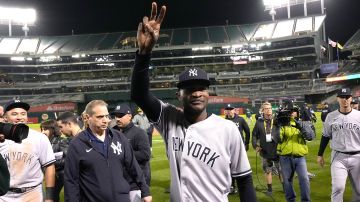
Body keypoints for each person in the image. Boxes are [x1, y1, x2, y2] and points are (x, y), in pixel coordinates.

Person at [131, 3, 256, 201]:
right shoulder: (169, 118)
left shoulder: (228, 129)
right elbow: (139, 95)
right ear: (179, 94)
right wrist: (143, 54)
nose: (196, 93)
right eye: (189, 89)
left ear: (208, 93)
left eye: (201, 88)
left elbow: (244, 179)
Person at [64, 100, 151, 202]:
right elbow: (71, 180)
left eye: (107, 116)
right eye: (100, 117)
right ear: (87, 118)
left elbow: (133, 166)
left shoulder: (119, 137)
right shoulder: (77, 144)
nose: (106, 120)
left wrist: (145, 191)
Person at [0, 99, 56, 202]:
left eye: (23, 114)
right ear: (5, 118)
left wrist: (49, 197)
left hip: (32, 194)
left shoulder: (39, 138)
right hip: (4, 196)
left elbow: (49, 167)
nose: (19, 117)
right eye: (14, 114)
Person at [317, 88, 360, 202]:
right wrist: (320, 154)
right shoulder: (331, 116)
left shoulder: (359, 116)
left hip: (357, 157)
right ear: (338, 99)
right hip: (338, 157)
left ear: (351, 98)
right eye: (342, 97)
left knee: (359, 190)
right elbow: (325, 136)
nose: (344, 100)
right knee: (338, 188)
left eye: (347, 97)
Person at [274, 101, 315, 202]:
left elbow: (310, 137)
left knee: (304, 180)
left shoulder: (303, 123)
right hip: (285, 158)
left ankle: (306, 200)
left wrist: (299, 126)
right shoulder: (282, 124)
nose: (291, 113)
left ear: (297, 112)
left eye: (293, 111)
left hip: (300, 158)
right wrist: (277, 125)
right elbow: (277, 139)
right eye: (289, 111)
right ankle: (291, 200)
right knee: (287, 182)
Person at [112, 103, 151, 202]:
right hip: (120, 182)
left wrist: (123, 154)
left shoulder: (139, 133)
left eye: (121, 116)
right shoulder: (113, 133)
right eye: (116, 116)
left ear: (130, 116)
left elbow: (145, 155)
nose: (117, 119)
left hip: (136, 184)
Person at [252, 102, 282, 196]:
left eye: (269, 108)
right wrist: (255, 146)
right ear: (263, 110)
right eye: (266, 108)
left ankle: (286, 188)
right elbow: (254, 135)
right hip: (265, 151)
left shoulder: (278, 120)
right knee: (267, 171)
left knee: (281, 171)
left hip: (278, 150)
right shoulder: (259, 122)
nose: (268, 110)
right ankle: (269, 190)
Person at [224, 104, 251, 194]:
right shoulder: (224, 121)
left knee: (241, 167)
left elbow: (247, 131)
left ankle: (242, 187)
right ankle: (232, 186)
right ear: (225, 111)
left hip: (240, 148)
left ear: (234, 110)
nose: (229, 111)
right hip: (228, 148)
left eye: (230, 109)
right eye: (227, 110)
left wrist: (246, 143)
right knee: (229, 167)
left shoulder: (240, 119)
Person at [40, 120, 69, 202]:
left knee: (52, 196)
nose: (43, 132)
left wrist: (51, 162)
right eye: (41, 129)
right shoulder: (46, 142)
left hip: (62, 174)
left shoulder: (61, 141)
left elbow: (68, 159)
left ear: (52, 129)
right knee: (53, 197)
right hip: (52, 174)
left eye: (45, 129)